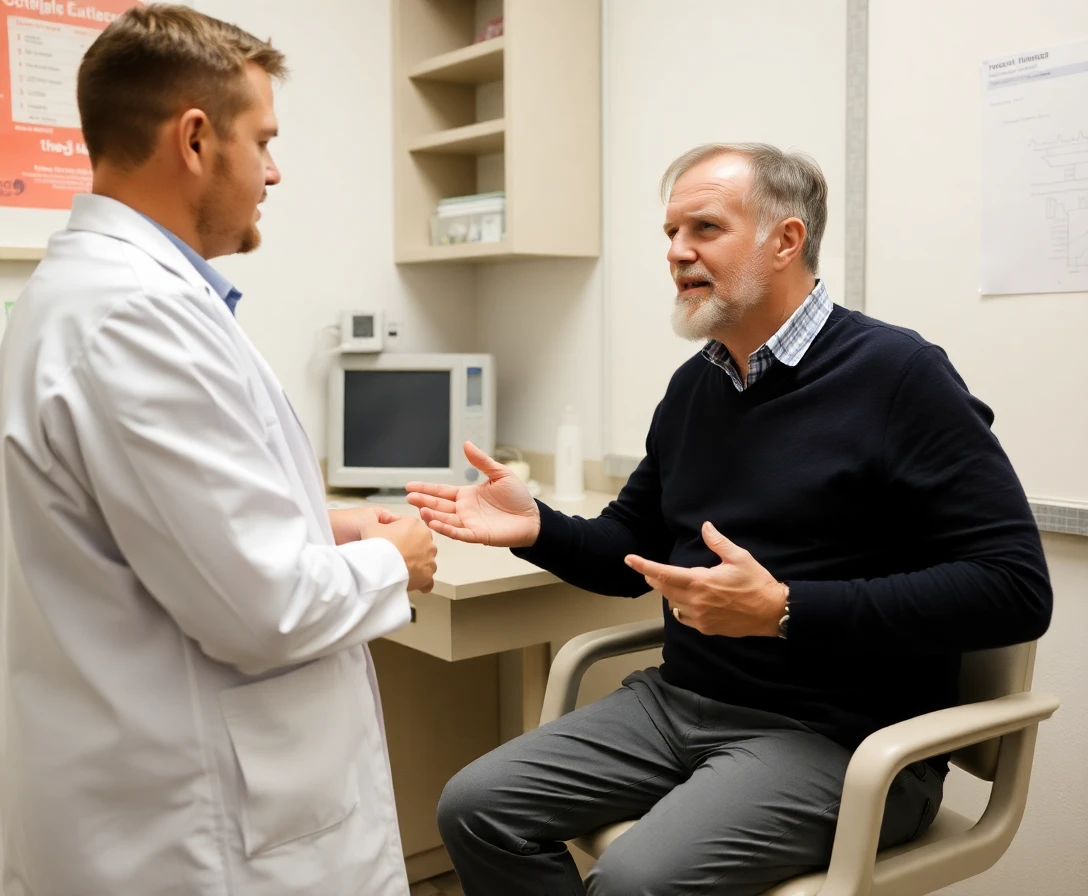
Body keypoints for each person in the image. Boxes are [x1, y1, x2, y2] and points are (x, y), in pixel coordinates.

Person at [405, 142, 1053, 896]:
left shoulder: (899, 376)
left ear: (786, 241)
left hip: (839, 737)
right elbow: (629, 556)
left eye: (703, 228)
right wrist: (538, 528)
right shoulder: (696, 387)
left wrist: (786, 612)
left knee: (632, 881)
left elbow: (1015, 589)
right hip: (677, 706)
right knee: (477, 809)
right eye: (670, 233)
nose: (677, 252)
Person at [0, 6, 434, 895]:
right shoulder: (138, 317)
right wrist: (395, 559)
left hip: (149, 794)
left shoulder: (89, 296)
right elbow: (262, 611)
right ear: (196, 140)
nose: (274, 172)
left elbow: (160, 526)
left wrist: (323, 520)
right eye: (263, 140)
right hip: (205, 834)